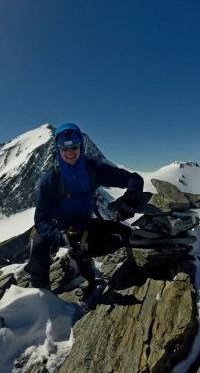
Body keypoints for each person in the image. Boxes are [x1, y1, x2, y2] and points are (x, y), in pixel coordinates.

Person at [25, 123, 144, 289]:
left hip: (85, 226)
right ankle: (40, 292)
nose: (70, 152)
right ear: (57, 149)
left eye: (74, 146)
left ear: (81, 146)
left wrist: (129, 204)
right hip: (58, 228)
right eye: (64, 148)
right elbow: (41, 221)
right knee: (38, 245)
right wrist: (61, 236)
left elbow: (134, 179)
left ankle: (82, 255)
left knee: (126, 235)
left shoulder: (93, 169)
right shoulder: (51, 179)